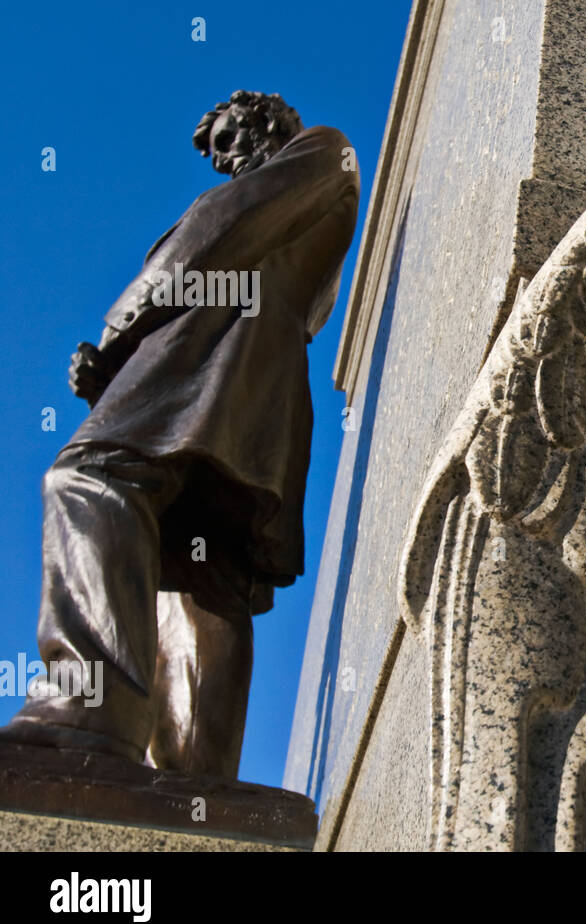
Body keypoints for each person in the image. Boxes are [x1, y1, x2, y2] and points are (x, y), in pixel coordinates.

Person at [0, 91, 359, 778]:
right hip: (223, 377)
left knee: (88, 478)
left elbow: (215, 233)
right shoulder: (298, 189)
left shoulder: (319, 151)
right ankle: (194, 782)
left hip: (217, 366)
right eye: (220, 148)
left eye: (231, 136)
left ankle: (86, 707)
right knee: (196, 575)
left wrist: (119, 331)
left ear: (269, 122)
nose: (227, 155)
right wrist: (117, 368)